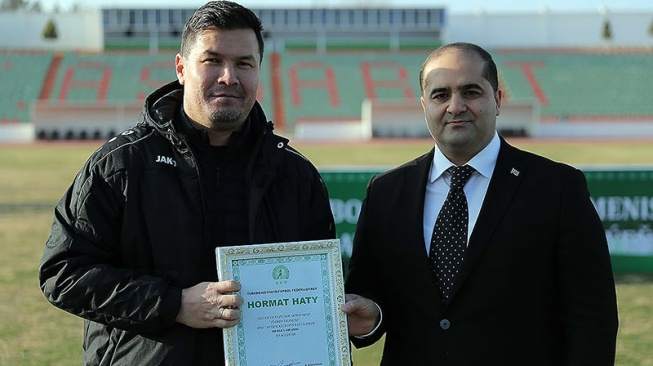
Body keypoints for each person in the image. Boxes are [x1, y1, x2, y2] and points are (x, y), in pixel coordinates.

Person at [38, 1, 335, 365]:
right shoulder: (121, 165)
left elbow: (321, 292)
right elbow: (64, 273)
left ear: (260, 70)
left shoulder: (296, 177)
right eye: (212, 60)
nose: (229, 76)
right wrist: (173, 304)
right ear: (182, 68)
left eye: (244, 63)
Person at [341, 42, 618, 365]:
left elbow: (593, 317)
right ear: (424, 105)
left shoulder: (557, 188)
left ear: (497, 100)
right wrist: (370, 318)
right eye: (440, 95)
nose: (455, 106)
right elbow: (369, 297)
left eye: (470, 92)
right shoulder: (385, 193)